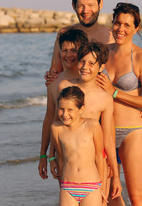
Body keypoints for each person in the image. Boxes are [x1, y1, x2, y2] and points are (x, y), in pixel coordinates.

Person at [96, 2, 142, 206]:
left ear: (136, 29)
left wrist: (114, 92)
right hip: (104, 133)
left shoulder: (141, 58)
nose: (120, 29)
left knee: (137, 198)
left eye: (127, 25)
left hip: (132, 132)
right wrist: (55, 76)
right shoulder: (102, 53)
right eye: (117, 23)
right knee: (109, 196)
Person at [49, 41, 122, 202]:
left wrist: (115, 175)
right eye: (82, 61)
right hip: (69, 160)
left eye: (91, 63)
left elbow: (108, 138)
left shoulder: (104, 97)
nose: (84, 67)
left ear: (101, 67)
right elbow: (55, 123)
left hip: (96, 161)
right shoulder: (65, 86)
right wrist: (50, 156)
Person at [38, 28, 88, 180]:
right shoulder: (54, 83)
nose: (68, 55)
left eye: (74, 50)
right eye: (64, 50)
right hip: (64, 155)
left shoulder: (92, 80)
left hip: (90, 153)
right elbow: (51, 120)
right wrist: (46, 156)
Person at [46, 0, 115, 81]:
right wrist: (50, 77)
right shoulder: (64, 34)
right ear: (73, 6)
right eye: (81, 5)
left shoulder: (111, 36)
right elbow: (55, 73)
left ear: (100, 4)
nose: (85, 10)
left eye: (91, 5)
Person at [51, 86, 106, 206]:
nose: (65, 114)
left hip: (91, 186)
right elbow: (60, 159)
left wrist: (102, 188)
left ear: (81, 109)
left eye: (70, 109)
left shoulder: (92, 125)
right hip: (67, 187)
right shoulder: (56, 129)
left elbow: (99, 157)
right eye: (61, 109)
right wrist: (61, 186)